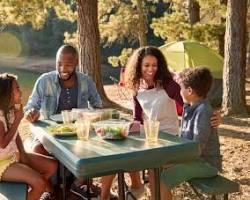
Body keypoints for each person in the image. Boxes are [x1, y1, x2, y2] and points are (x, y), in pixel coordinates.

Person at [101, 46, 221, 200]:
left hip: (169, 138)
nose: (151, 69)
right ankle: (115, 194)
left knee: (155, 170)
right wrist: (124, 129)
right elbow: (138, 120)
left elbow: (194, 101)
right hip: (150, 137)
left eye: (154, 65)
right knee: (117, 154)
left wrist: (215, 115)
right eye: (146, 65)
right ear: (138, 66)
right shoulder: (137, 88)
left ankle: (151, 194)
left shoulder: (169, 85)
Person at [24, 44, 102, 199]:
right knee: (38, 150)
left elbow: (97, 105)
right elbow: (31, 106)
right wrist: (31, 113)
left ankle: (77, 184)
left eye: (68, 64)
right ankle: (49, 191)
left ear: (77, 63)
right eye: (59, 63)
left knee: (96, 148)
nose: (63, 68)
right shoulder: (44, 81)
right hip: (48, 132)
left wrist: (88, 115)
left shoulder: (86, 81)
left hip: (77, 132)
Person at [0, 73, 58, 200]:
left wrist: (23, 154)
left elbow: (15, 136)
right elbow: (3, 143)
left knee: (52, 166)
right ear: (8, 93)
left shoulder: (11, 110)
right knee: (40, 183)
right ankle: (34, 190)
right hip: (2, 163)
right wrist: (18, 120)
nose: (20, 91)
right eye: (17, 89)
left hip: (14, 156)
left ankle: (30, 194)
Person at [179, 67, 222, 170]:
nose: (180, 91)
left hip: (205, 164)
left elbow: (197, 147)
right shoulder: (189, 107)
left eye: (181, 88)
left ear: (189, 91)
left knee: (165, 176)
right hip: (193, 160)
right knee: (161, 167)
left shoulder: (203, 111)